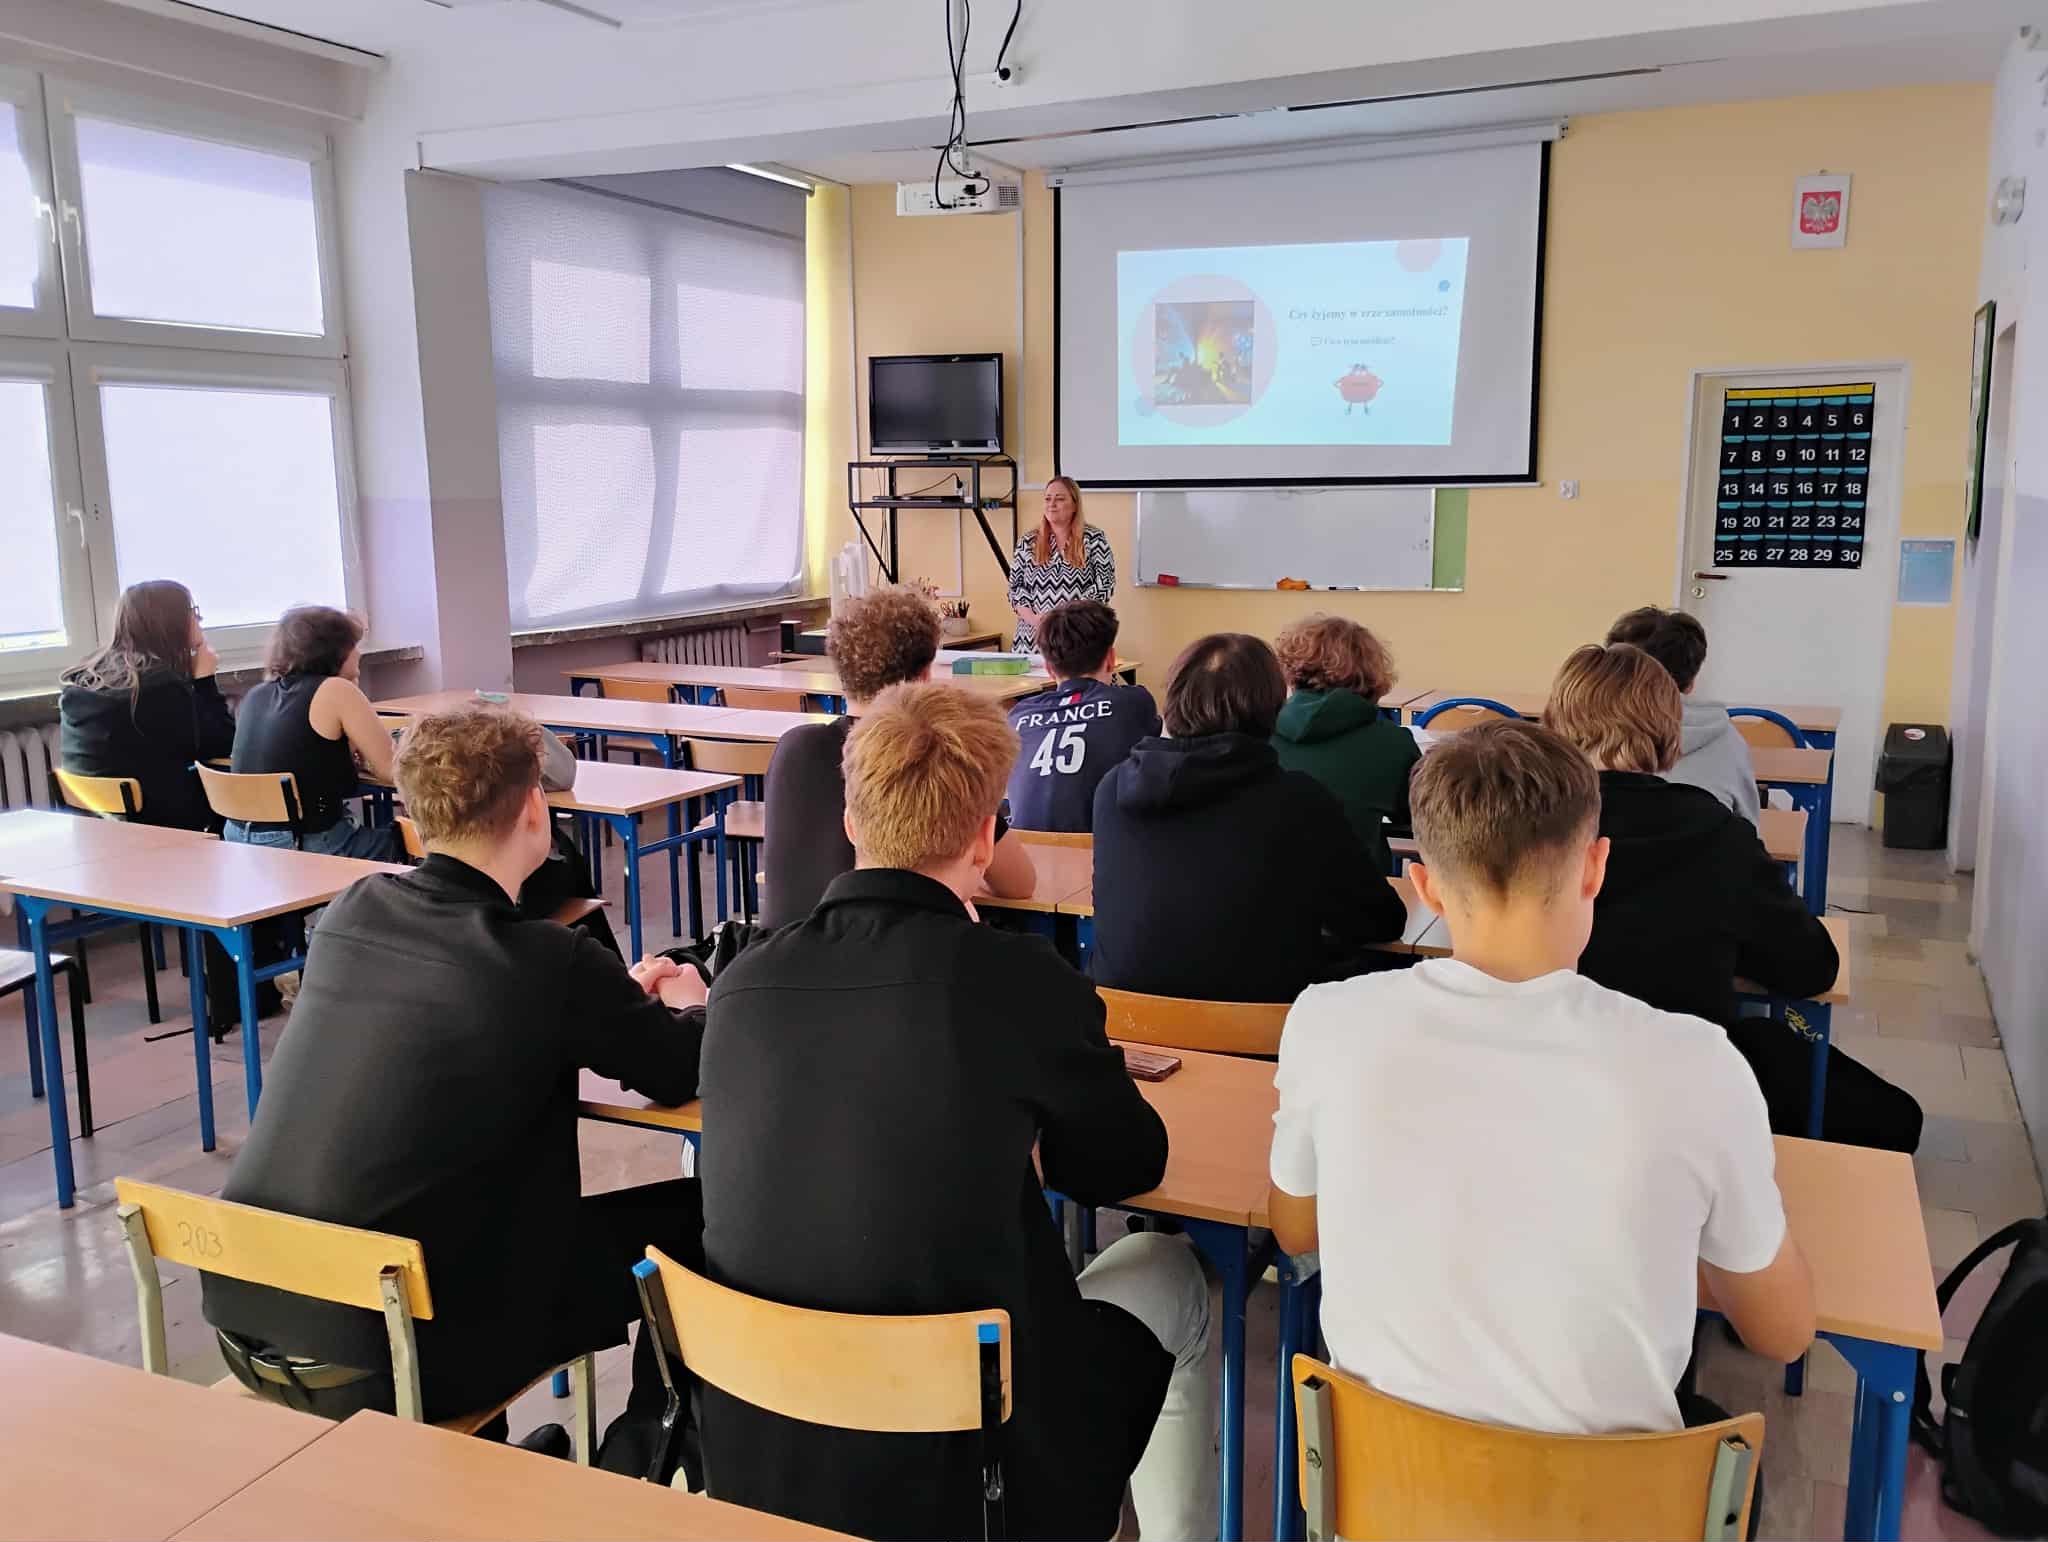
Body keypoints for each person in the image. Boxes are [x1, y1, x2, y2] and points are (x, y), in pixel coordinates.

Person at [701, 682, 1215, 1541]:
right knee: (1171, 1270)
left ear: (853, 824)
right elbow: (1127, 1165)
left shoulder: (742, 983)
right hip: (978, 1470)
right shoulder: (1017, 980)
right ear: (984, 836)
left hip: (766, 1453)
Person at [1268, 718, 1814, 1450]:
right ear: (1595, 868)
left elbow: (1296, 1231)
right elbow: (1782, 1333)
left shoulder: (1326, 1020)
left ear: (1426, 887)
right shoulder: (1698, 1064)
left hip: (1377, 1483)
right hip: (1605, 1496)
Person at [203, 704, 710, 1441]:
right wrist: (694, 1005)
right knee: (707, 1218)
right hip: (398, 1355)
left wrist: (605, 1002)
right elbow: (678, 1068)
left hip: (255, 1319)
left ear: (413, 812)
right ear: (534, 808)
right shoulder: (549, 961)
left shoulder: (352, 910)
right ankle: (644, 1452)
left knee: (454, 1220)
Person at [1546, 645, 1916, 1151]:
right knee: (1889, 1115)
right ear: (1671, 732)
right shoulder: (1717, 831)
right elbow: (1811, 969)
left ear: (1554, 725)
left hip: (1550, 1085)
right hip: (1681, 1096)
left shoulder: (1525, 825)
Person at [1091, 632, 1408, 1003]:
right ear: (1273, 709)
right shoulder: (1298, 801)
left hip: (1126, 1019)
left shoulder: (1112, 789)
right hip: (1264, 1026)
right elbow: (1379, 921)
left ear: (1173, 699)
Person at [758, 585, 1033, 927]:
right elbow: (1020, 883)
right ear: (925, 676)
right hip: (881, 953)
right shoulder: (930, 755)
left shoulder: (793, 748)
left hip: (785, 950)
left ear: (841, 673)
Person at [226, 605, 404, 860]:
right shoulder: (336, 690)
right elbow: (392, 770)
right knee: (407, 842)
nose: (358, 652)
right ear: (335, 650)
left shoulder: (256, 694)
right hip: (304, 845)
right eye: (353, 644)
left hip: (240, 842)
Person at [58, 579, 234, 832]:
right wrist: (205, 680)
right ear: (171, 622)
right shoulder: (158, 685)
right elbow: (221, 744)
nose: (200, 619)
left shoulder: (88, 675)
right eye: (193, 612)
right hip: (154, 825)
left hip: (95, 825)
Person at [1270, 613, 1420, 874]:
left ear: (1291, 671)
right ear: (1373, 675)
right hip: (1355, 889)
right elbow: (1418, 818)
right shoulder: (1394, 745)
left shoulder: (1255, 734)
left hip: (1264, 886)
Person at [1005, 599, 1158, 832]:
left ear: (1048, 668)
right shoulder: (1135, 703)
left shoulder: (1018, 716)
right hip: (1103, 849)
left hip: (1029, 850)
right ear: (1111, 659)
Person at [1605, 606, 1760, 826]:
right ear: (1691, 682)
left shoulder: (1583, 735)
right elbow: (1750, 824)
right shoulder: (1730, 741)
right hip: (1709, 845)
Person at [1007, 476, 1116, 653]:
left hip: (1078, 638)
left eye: (1060, 499)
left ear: (1074, 505)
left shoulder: (1094, 539)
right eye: (1048, 499)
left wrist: (1066, 618)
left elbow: (1105, 585)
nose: (1052, 504)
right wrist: (1035, 620)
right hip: (1031, 641)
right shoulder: (1028, 542)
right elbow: (1015, 589)